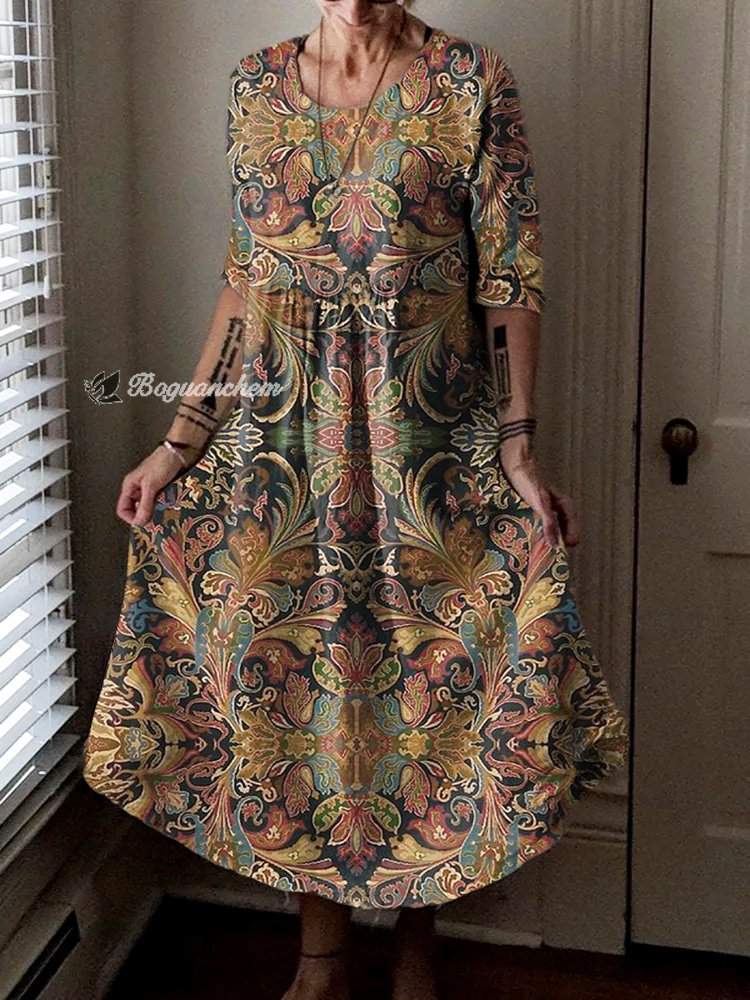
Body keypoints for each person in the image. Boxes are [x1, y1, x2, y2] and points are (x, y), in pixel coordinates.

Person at [82, 2, 629, 998]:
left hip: (430, 446)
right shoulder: (254, 86)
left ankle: (417, 940)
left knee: (431, 688)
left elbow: (511, 277)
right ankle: (321, 957)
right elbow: (245, 284)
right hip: (282, 451)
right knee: (294, 695)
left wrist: (518, 445)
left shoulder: (473, 83)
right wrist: (178, 442)